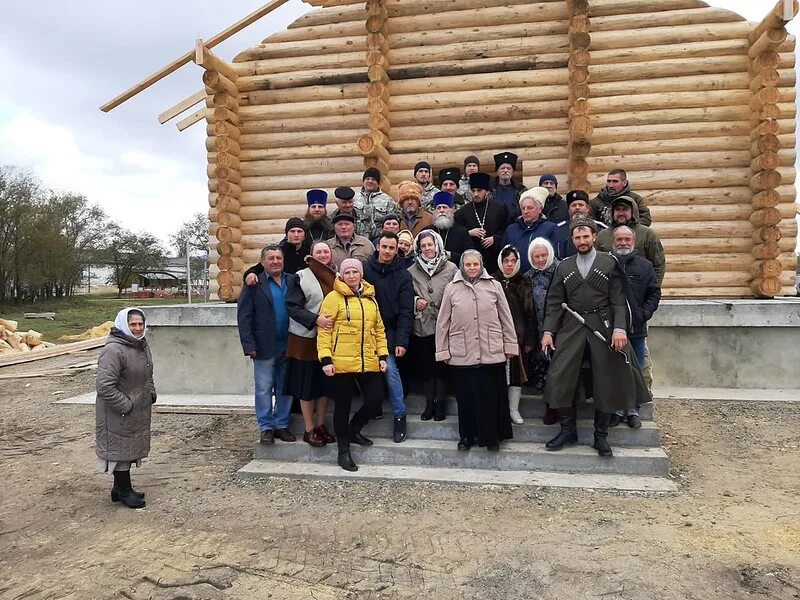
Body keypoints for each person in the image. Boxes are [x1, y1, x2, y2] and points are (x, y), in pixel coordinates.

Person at [540, 219, 650, 457]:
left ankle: (600, 436)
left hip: (604, 325)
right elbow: (555, 302)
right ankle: (568, 430)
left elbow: (620, 300)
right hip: (572, 325)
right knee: (560, 374)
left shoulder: (608, 262)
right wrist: (548, 331)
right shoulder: (564, 266)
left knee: (607, 378)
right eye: (577, 238)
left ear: (594, 237)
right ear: (573, 240)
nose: (581, 241)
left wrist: (620, 329)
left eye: (585, 237)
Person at [436, 250, 518, 451]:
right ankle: (467, 437)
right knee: (466, 399)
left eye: (475, 264)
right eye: (468, 265)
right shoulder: (451, 289)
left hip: (491, 350)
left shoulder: (494, 286)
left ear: (481, 265)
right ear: (462, 266)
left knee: (490, 398)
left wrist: (510, 345)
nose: (472, 268)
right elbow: (442, 323)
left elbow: (506, 319)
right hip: (462, 352)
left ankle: (492, 438)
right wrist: (443, 350)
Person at [317, 258, 389, 472]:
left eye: (354, 272)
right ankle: (343, 451)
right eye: (347, 272)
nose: (351, 275)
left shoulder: (370, 299)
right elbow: (324, 332)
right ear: (341, 275)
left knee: (375, 400)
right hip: (340, 363)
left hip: (368, 360)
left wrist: (382, 356)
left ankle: (354, 428)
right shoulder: (333, 298)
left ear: (360, 274)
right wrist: (326, 359)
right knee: (342, 406)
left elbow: (379, 330)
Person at [95, 308, 156, 509]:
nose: (138, 328)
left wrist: (151, 392)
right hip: (118, 411)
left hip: (136, 409)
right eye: (133, 325)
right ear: (123, 325)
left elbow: (147, 374)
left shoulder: (140, 345)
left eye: (140, 324)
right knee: (120, 450)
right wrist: (126, 405)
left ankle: (118, 489)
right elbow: (104, 386)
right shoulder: (114, 350)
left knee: (128, 449)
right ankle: (124, 490)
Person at [237, 245, 297, 445]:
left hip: (289, 343)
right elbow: (244, 317)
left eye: (278, 258)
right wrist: (248, 344)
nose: (275, 261)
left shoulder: (292, 280)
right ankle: (266, 427)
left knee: (285, 387)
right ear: (262, 262)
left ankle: (281, 424)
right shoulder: (254, 283)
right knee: (264, 388)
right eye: (270, 258)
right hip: (263, 345)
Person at [285, 241, 338, 446]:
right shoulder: (301, 276)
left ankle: (321, 424)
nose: (323, 255)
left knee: (325, 387)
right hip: (305, 340)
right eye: (319, 252)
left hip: (329, 341)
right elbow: (292, 306)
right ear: (312, 255)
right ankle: (308, 429)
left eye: (326, 251)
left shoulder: (337, 276)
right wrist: (315, 320)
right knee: (307, 387)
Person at [362, 231, 414, 443]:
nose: (387, 251)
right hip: (365, 330)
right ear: (377, 247)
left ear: (397, 250)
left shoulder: (403, 275)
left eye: (392, 248)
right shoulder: (365, 270)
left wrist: (402, 340)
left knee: (391, 373)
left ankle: (400, 415)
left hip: (389, 332)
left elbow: (405, 311)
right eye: (384, 247)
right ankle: (372, 409)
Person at [610, 226, 661, 428]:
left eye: (627, 239)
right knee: (614, 369)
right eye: (619, 239)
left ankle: (633, 410)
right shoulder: (607, 264)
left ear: (633, 241)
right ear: (613, 241)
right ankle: (615, 409)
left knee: (636, 370)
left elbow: (654, 293)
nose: (623, 242)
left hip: (637, 330)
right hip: (612, 329)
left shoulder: (645, 266)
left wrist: (643, 314)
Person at [408, 230, 458, 421]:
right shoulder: (411, 270)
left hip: (445, 325)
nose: (428, 249)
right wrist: (415, 301)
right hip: (423, 325)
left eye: (430, 245)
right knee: (427, 368)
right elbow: (406, 295)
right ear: (419, 249)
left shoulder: (451, 268)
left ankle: (442, 403)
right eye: (424, 246)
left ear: (437, 245)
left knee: (442, 367)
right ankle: (429, 403)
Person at [492, 246, 537, 425]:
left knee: (516, 375)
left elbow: (531, 313)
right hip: (495, 337)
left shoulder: (524, 282)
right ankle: (499, 408)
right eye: (506, 261)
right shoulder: (492, 281)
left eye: (513, 261)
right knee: (497, 374)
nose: (509, 264)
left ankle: (513, 409)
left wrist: (529, 339)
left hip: (518, 338)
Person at [523, 237, 560, 424]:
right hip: (537, 330)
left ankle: (560, 407)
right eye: (536, 256)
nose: (540, 260)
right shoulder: (528, 277)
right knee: (544, 370)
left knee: (559, 370)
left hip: (559, 330)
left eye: (544, 255)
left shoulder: (561, 271)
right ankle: (549, 407)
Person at [596, 196, 666, 285]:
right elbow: (596, 265)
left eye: (625, 209)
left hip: (640, 289)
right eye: (617, 210)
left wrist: (653, 289)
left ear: (633, 211)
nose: (621, 213)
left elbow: (658, 265)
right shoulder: (602, 236)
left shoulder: (648, 234)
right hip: (610, 290)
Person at [454, 172, 509, 268]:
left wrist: (495, 239)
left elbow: (507, 229)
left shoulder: (499, 208)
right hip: (472, 261)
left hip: (495, 259)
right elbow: (456, 233)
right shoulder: (462, 212)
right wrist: (469, 233)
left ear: (487, 191)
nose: (476, 194)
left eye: (479, 190)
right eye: (473, 190)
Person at [502, 187, 560, 273]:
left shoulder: (551, 229)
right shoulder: (511, 230)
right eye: (523, 208)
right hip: (517, 280)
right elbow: (503, 257)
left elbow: (557, 258)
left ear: (540, 209)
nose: (525, 211)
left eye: (530, 208)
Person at [243, 217, 310, 284]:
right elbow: (258, 268)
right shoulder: (278, 252)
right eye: (292, 231)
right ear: (287, 234)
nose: (296, 235)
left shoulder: (309, 251)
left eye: (299, 231)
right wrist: (251, 274)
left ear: (304, 234)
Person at [555, 190, 608, 259]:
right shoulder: (558, 230)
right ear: (568, 209)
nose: (577, 208)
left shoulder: (600, 228)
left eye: (580, 205)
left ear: (587, 209)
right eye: (573, 205)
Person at [425, 191, 472, 267]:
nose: (442, 210)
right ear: (434, 211)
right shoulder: (427, 232)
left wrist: (451, 255)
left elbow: (470, 256)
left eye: (445, 207)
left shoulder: (462, 231)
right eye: (439, 208)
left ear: (451, 210)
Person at [353, 167, 401, 240]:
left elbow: (392, 222)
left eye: (373, 179)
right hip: (357, 240)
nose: (370, 181)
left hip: (379, 240)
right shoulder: (354, 199)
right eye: (367, 179)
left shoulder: (387, 200)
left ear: (378, 183)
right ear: (363, 181)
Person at [490, 151, 527, 222]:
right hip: (494, 228)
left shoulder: (521, 190)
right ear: (497, 171)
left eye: (508, 168)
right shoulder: (489, 190)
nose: (505, 170)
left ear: (512, 171)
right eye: (502, 168)